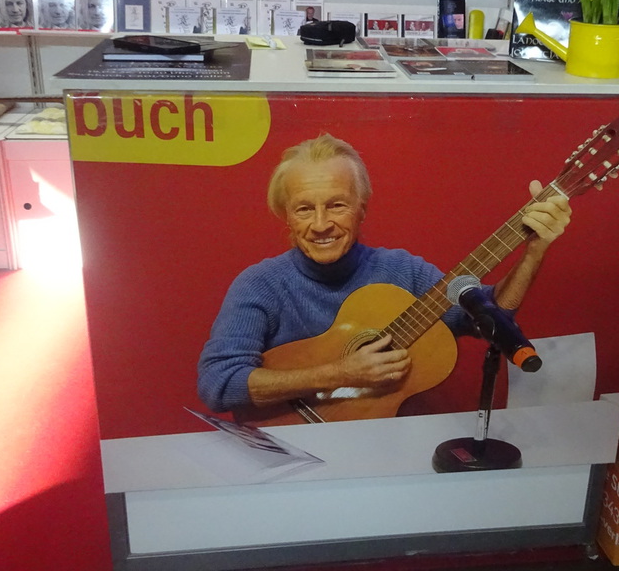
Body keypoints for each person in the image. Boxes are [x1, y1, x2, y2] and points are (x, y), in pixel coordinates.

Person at [197, 133, 571, 415]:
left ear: (362, 209)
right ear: (286, 216)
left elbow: (488, 318)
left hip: (384, 447)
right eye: (304, 209)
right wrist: (340, 374)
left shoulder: (402, 271)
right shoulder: (259, 285)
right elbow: (218, 384)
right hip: (288, 451)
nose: (321, 224)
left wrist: (534, 251)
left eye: (337, 205)